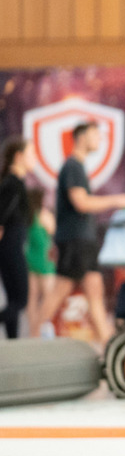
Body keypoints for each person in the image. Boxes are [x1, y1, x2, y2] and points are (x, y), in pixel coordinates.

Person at [32, 121, 125, 342]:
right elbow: (81, 202)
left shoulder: (77, 167)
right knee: (60, 291)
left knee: (94, 293)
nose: (99, 140)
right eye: (95, 134)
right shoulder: (73, 166)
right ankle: (31, 337)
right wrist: (117, 200)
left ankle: (108, 346)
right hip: (75, 240)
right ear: (81, 137)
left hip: (82, 240)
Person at [0, 137, 36, 339]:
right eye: (31, 154)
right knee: (20, 300)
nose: (34, 160)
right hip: (10, 247)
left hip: (12, 246)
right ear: (19, 156)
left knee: (14, 298)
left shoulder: (16, 183)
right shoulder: (12, 184)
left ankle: (13, 344)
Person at [24, 187, 56, 337]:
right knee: (49, 296)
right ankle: (40, 327)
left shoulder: (29, 216)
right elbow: (52, 230)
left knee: (32, 298)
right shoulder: (43, 215)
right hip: (45, 260)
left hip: (31, 258)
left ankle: (33, 331)